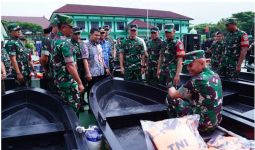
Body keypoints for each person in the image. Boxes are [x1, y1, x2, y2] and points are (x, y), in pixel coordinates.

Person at [168, 50, 223, 133]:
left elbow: (174, 94)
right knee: (188, 97)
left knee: (171, 99)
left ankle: (175, 127)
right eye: (187, 66)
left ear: (201, 63)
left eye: (190, 65)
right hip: (216, 121)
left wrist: (170, 86)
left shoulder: (197, 80)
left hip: (202, 125)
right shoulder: (215, 75)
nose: (188, 69)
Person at [52, 14, 85, 114]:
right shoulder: (65, 43)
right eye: (71, 27)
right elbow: (70, 65)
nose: (72, 30)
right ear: (63, 27)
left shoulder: (55, 41)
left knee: (64, 109)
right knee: (73, 110)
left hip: (59, 81)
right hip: (68, 82)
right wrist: (79, 83)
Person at [82, 28, 110, 101]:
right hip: (92, 73)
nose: (98, 37)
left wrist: (106, 68)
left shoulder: (98, 44)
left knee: (99, 90)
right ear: (91, 34)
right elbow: (85, 59)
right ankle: (91, 108)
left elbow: (101, 57)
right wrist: (88, 73)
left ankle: (98, 105)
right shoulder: (85, 44)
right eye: (96, 35)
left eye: (99, 35)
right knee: (91, 91)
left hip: (101, 72)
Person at [40, 18, 59, 92]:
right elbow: (44, 58)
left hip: (52, 73)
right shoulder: (63, 39)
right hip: (58, 75)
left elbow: (43, 58)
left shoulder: (47, 39)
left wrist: (45, 68)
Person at [70, 26, 87, 110]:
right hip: (75, 68)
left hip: (82, 67)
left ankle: (82, 100)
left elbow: (85, 57)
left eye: (79, 33)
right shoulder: (69, 44)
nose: (77, 36)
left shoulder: (82, 43)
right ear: (72, 34)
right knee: (76, 86)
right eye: (75, 34)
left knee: (84, 85)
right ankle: (79, 103)